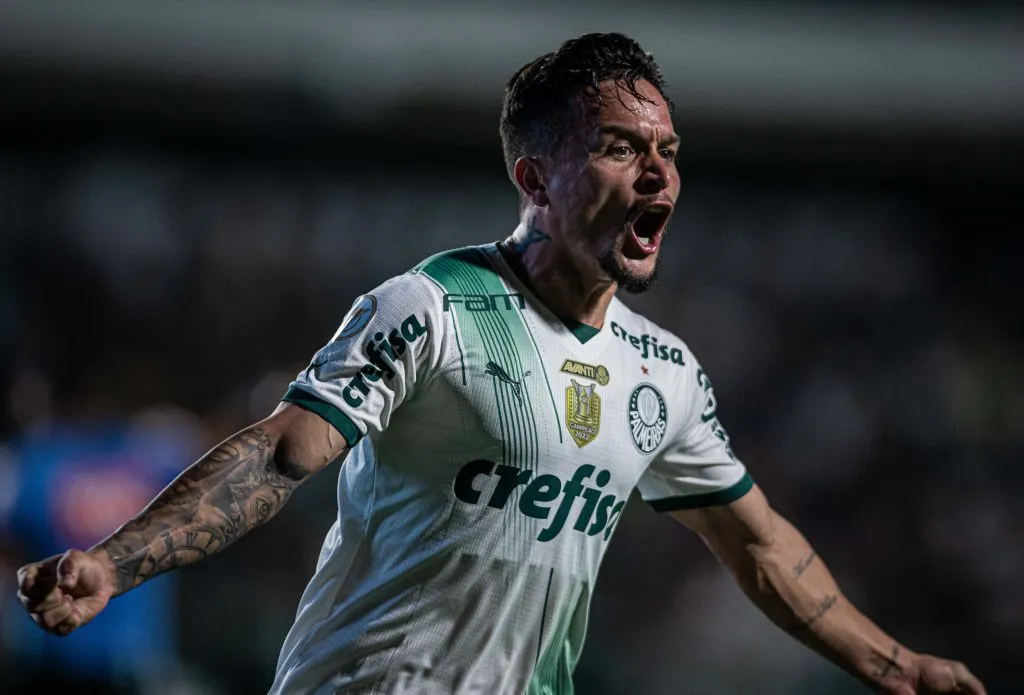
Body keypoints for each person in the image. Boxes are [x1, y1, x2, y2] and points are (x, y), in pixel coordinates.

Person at [16, 33, 986, 695]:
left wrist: (895, 664)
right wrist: (113, 561)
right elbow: (280, 456)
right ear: (534, 178)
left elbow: (760, 545)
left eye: (668, 150)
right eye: (619, 147)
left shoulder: (664, 372)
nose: (657, 173)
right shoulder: (428, 308)